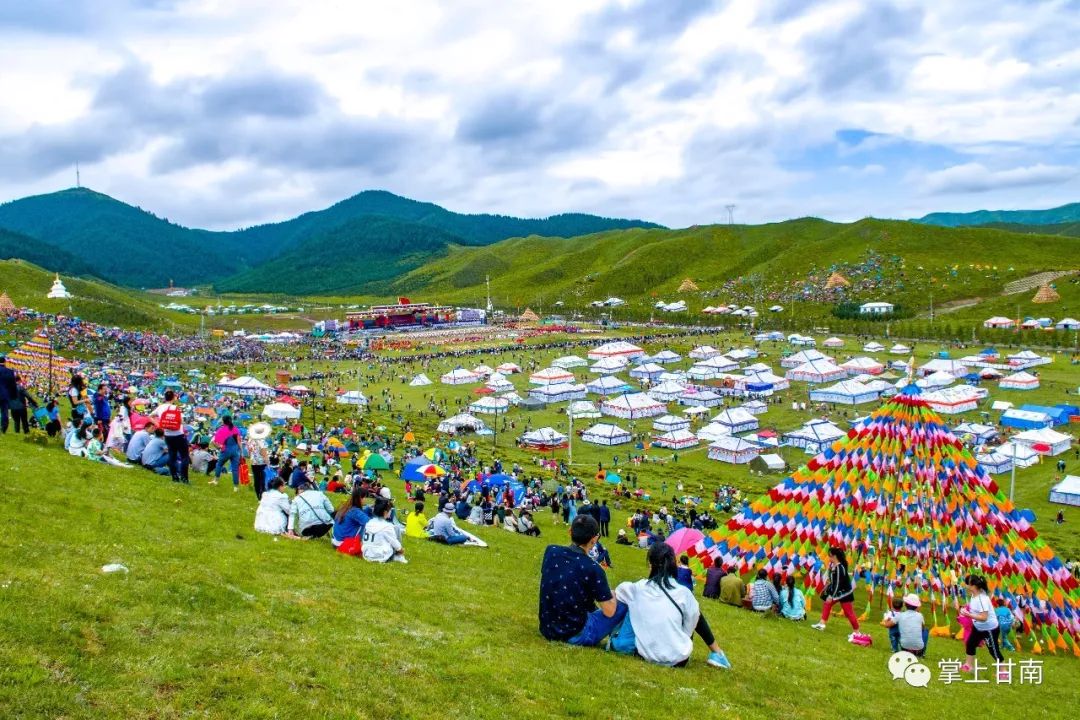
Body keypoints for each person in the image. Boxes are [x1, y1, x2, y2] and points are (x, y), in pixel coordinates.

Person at [614, 542, 731, 668]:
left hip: (645, 653)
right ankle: (717, 652)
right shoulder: (684, 593)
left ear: (650, 564)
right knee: (694, 612)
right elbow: (693, 621)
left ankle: (620, 639)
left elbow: (617, 593)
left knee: (631, 604)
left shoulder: (638, 588)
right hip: (679, 659)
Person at [538, 515, 625, 646]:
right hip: (576, 634)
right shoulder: (593, 568)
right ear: (595, 539)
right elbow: (609, 611)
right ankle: (621, 643)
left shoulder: (551, 551)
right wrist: (613, 594)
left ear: (570, 532)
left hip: (548, 628)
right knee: (623, 604)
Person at [812, 547, 865, 642]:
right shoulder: (834, 566)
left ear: (834, 556)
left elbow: (838, 584)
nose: (829, 558)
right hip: (839, 592)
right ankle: (822, 623)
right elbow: (835, 581)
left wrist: (831, 595)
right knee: (827, 603)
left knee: (849, 613)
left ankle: (857, 632)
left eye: (830, 556)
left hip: (844, 593)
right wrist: (829, 582)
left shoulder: (840, 568)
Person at [960, 575, 1005, 675]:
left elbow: (984, 617)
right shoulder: (974, 595)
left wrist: (968, 614)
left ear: (974, 586)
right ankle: (968, 665)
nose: (966, 586)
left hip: (989, 629)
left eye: (968, 584)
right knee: (970, 644)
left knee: (993, 650)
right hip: (978, 627)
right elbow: (976, 610)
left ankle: (1003, 672)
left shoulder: (982, 599)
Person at [149, 390, 189, 484]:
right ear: (174, 398)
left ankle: (174, 476)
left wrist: (158, 424)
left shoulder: (160, 407)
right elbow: (181, 421)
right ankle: (184, 478)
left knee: (172, 456)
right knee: (184, 456)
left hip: (168, 435)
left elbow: (150, 416)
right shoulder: (175, 408)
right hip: (178, 434)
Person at [362, 497, 407, 563]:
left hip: (367, 554)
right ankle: (399, 556)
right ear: (385, 512)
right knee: (396, 528)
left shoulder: (369, 523)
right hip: (381, 556)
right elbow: (395, 543)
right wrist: (401, 550)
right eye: (390, 510)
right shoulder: (387, 526)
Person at [211, 415, 243, 491]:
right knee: (235, 469)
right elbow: (239, 442)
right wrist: (241, 452)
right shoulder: (235, 429)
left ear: (223, 421)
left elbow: (214, 441)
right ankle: (236, 487)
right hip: (235, 450)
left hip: (226, 450)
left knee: (219, 464)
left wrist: (218, 447)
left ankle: (216, 481)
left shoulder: (221, 430)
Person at [0, 355, 16, 434]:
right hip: (5, 395)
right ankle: (4, 428)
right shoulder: (10, 371)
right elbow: (13, 385)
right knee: (4, 412)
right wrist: (14, 396)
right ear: (5, 362)